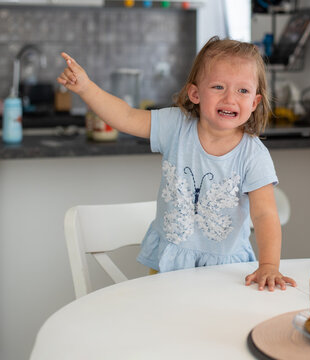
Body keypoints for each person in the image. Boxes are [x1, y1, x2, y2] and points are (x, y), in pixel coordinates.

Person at [57, 36, 296, 291]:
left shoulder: (253, 155)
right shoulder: (175, 127)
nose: (230, 98)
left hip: (227, 273)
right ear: (195, 93)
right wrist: (86, 88)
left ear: (254, 102)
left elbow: (265, 214)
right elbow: (126, 116)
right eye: (218, 87)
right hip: (168, 266)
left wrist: (269, 265)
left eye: (243, 90)